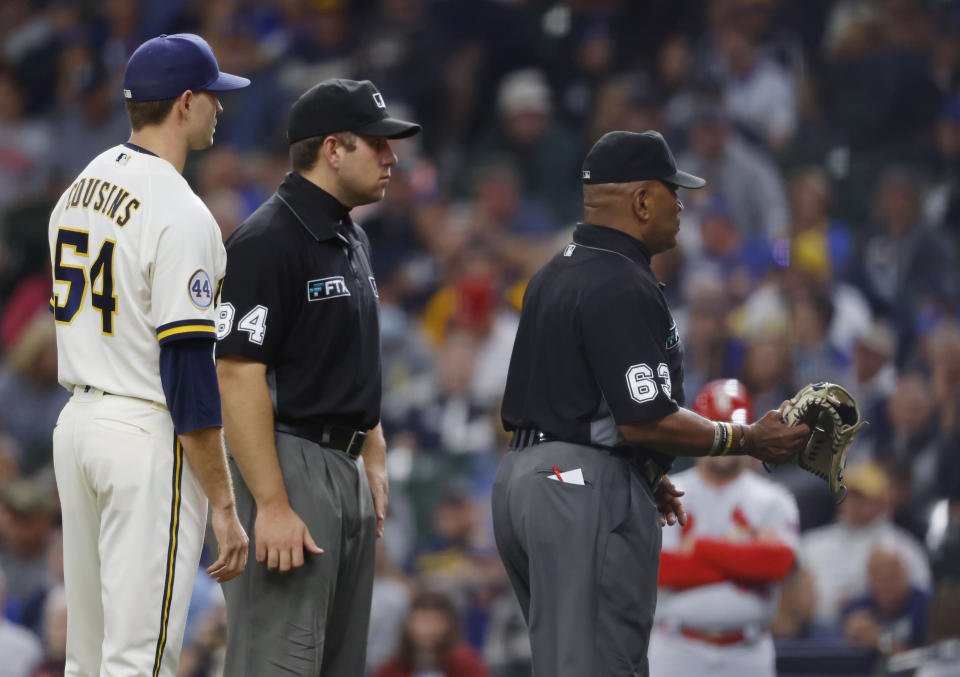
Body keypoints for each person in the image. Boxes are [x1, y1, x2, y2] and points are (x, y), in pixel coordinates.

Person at [492, 130, 811, 677]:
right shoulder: (619, 280)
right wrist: (746, 438)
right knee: (602, 665)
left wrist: (639, 471)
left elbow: (582, 401)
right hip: (577, 487)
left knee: (567, 662)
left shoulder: (554, 272)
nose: (682, 205)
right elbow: (645, 420)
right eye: (672, 192)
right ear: (642, 201)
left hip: (527, 479)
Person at [47, 33, 250, 677]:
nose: (220, 108)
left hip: (77, 425)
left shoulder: (81, 184)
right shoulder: (181, 210)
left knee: (87, 659)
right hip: (142, 432)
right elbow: (189, 370)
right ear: (184, 103)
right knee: (142, 662)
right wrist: (222, 500)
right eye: (213, 96)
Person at [216, 78, 420, 676]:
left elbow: (348, 355)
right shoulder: (266, 240)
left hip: (342, 465)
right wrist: (272, 505)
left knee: (335, 665)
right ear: (333, 149)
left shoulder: (350, 234)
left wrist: (373, 449)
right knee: (279, 662)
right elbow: (235, 373)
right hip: (288, 463)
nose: (392, 157)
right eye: (377, 144)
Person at [648, 379, 800, 677]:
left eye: (733, 426)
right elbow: (660, 569)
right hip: (676, 648)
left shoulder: (773, 498)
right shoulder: (665, 491)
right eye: (717, 426)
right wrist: (744, 565)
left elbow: (778, 564)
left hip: (748, 651)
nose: (727, 437)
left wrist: (701, 550)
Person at [375, 589, 490, 677]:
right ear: (408, 624)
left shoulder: (468, 665)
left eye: (435, 620)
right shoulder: (392, 667)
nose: (427, 628)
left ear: (449, 624)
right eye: (421, 620)